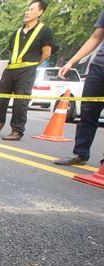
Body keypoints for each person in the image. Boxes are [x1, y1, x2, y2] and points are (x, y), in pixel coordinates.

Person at [0, 1, 54, 140]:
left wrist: (33, 64)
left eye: (31, 9)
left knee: (21, 101)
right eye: (27, 9)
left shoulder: (44, 31)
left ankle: (17, 130)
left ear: (40, 12)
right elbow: (12, 51)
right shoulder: (17, 32)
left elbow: (46, 53)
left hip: (27, 70)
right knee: (2, 99)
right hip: (11, 68)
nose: (27, 12)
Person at [54, 11, 104, 167]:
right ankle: (80, 154)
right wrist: (71, 62)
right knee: (88, 111)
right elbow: (96, 37)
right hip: (99, 66)